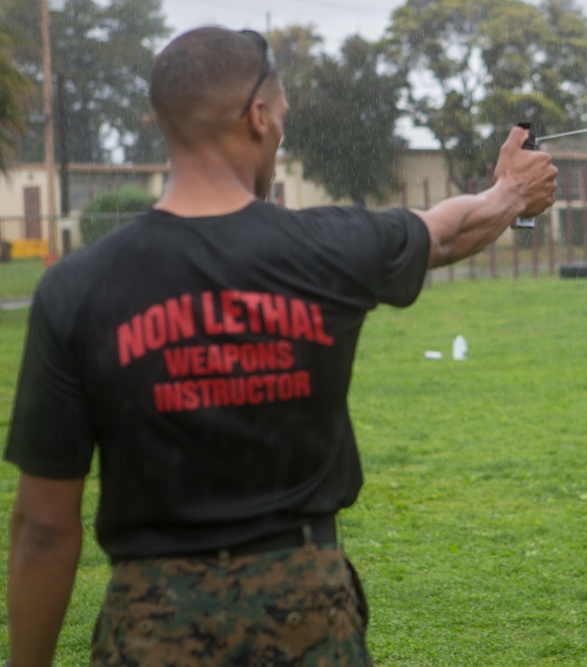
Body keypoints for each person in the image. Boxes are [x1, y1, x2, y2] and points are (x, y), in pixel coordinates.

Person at [4, 26, 557, 667]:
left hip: (149, 624)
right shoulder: (327, 249)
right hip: (306, 617)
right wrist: (512, 191)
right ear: (258, 117)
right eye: (284, 119)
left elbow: (43, 528)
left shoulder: (76, 287)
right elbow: (448, 234)